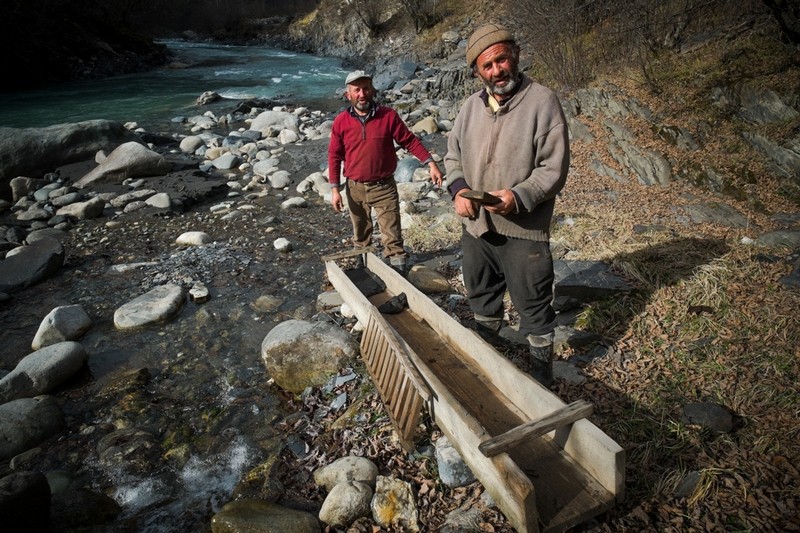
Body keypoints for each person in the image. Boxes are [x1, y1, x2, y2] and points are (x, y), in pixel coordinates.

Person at [443, 24, 570, 387]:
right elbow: (453, 158)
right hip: (477, 226)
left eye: (502, 59)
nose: (497, 70)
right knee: (481, 297)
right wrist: (458, 192)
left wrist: (518, 196)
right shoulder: (470, 108)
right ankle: (489, 365)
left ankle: (541, 381)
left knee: (534, 308)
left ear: (515, 55)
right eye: (487, 65)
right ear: (476, 72)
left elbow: (553, 168)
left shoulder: (542, 102)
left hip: (524, 229)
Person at [328, 70, 444, 275]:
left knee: (392, 234)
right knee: (361, 234)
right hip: (355, 187)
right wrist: (335, 189)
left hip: (384, 187)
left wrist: (430, 163)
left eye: (365, 89)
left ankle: (399, 273)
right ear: (348, 95)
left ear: (372, 90)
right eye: (357, 90)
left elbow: (409, 140)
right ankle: (362, 272)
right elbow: (334, 157)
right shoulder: (340, 122)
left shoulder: (388, 116)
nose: (362, 94)